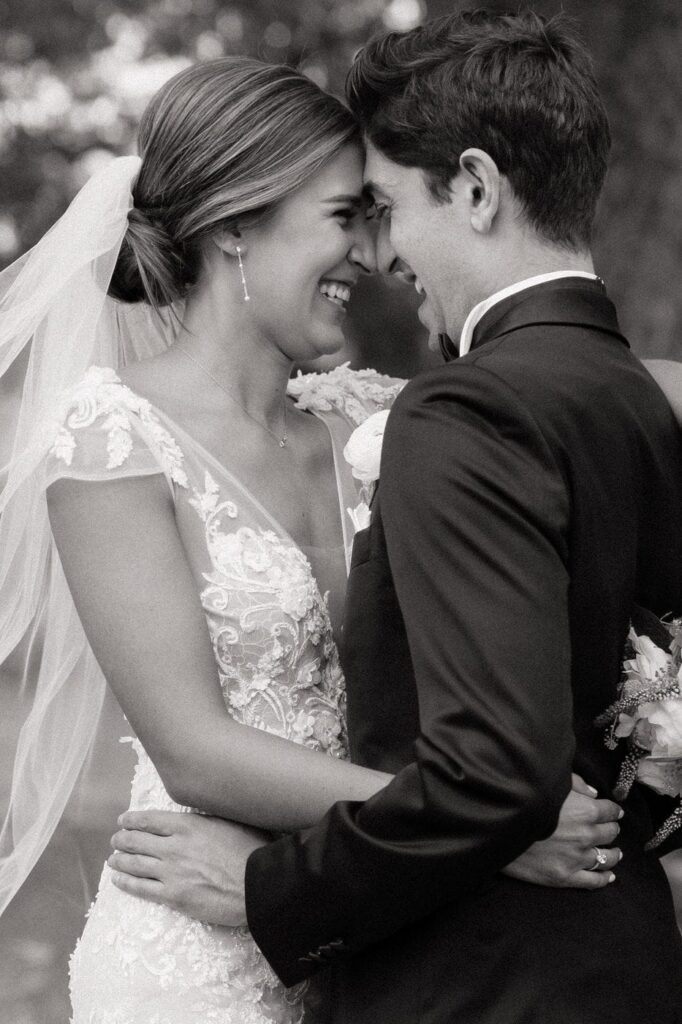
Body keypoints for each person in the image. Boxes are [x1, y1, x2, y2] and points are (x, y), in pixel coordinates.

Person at [0, 54, 622, 1024]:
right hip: (194, 955)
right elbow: (198, 750)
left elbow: (597, 392)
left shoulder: (376, 423)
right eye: (345, 217)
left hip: (369, 938)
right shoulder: (109, 440)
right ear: (238, 224)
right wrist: (497, 825)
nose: (372, 258)